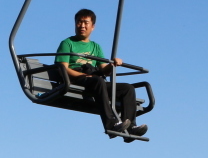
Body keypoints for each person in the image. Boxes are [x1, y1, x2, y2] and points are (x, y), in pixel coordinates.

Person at [55, 9, 147, 141]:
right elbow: (62, 68)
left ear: (92, 26)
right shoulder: (67, 43)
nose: (82, 26)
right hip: (76, 79)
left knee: (128, 88)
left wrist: (113, 64)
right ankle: (111, 125)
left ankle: (130, 126)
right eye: (79, 22)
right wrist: (83, 76)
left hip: (94, 81)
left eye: (86, 23)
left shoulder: (96, 47)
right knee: (98, 81)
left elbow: (105, 71)